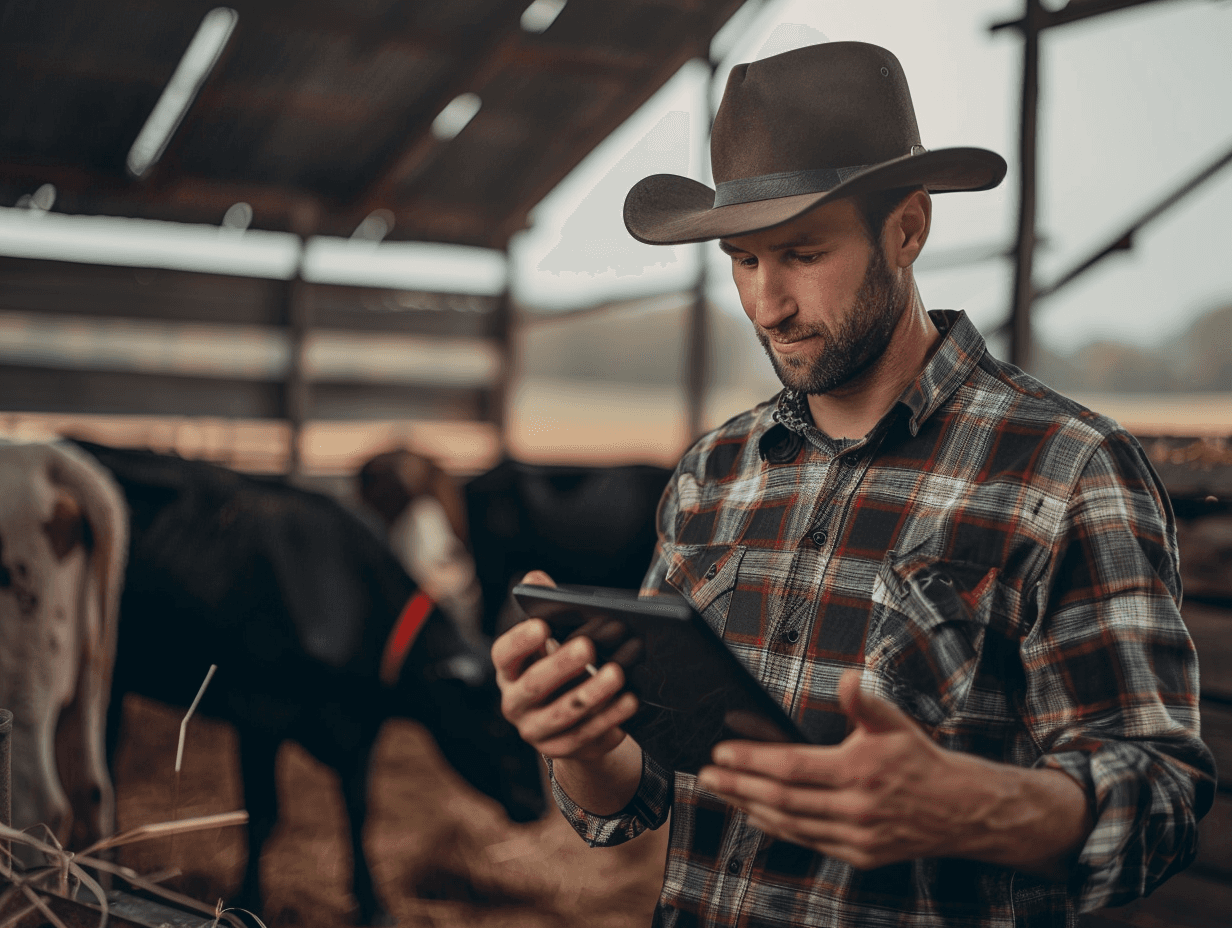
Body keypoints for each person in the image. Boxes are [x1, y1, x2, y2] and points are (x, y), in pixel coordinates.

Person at [492, 41, 1216, 926]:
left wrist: (978, 807)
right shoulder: (712, 474)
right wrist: (581, 741)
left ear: (908, 228)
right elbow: (635, 797)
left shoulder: (1070, 469)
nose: (766, 306)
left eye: (800, 253)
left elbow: (1165, 803)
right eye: (743, 261)